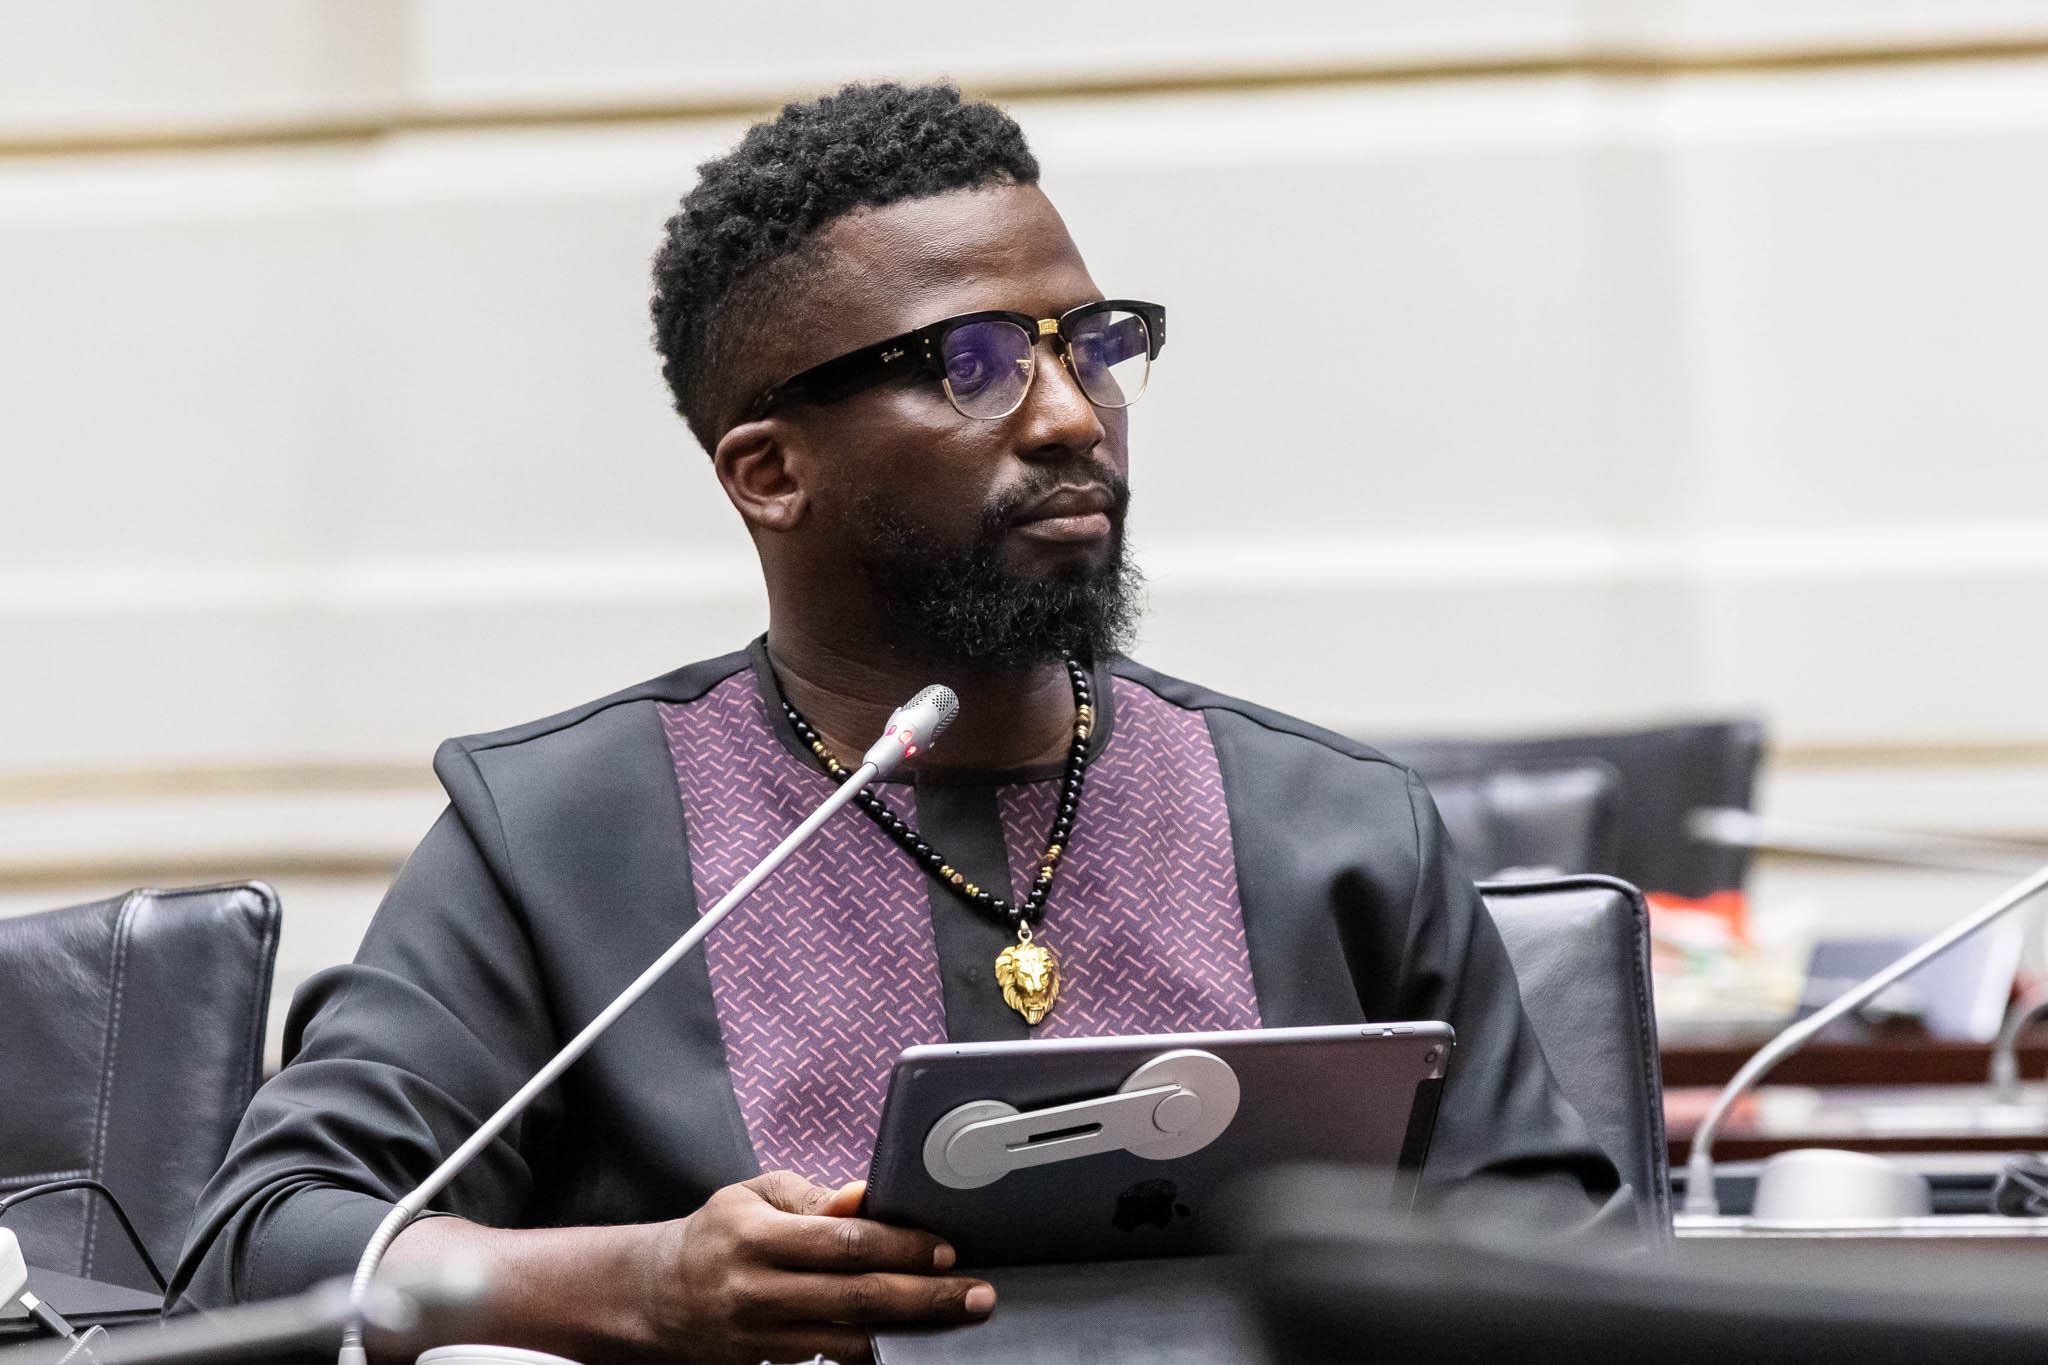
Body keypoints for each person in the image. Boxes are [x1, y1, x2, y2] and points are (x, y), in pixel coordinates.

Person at [171, 81, 1624, 1363]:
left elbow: (1576, 1274)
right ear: (769, 472)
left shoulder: (1337, 828)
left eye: (1091, 345)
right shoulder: (562, 837)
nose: (1072, 417)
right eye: (972, 363)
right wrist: (636, 1285)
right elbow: (267, 1246)